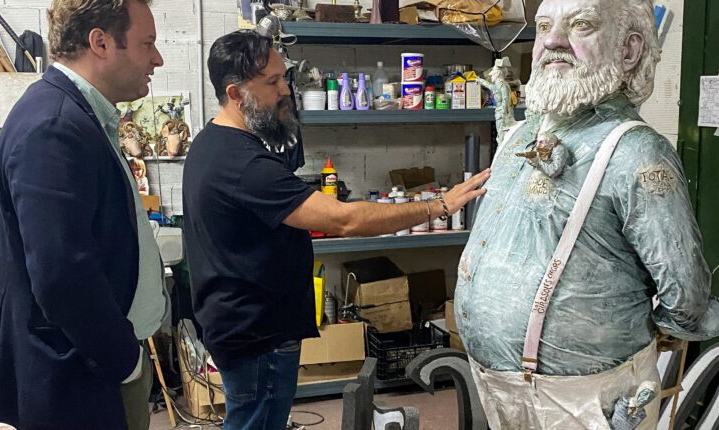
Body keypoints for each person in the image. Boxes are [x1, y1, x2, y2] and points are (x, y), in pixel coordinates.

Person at [182, 30, 490, 430]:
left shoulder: (213, 144)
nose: (285, 92)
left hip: (241, 325)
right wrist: (440, 205)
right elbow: (346, 220)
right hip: (256, 334)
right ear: (236, 93)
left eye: (284, 78)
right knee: (255, 422)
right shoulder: (242, 164)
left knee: (252, 420)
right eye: (273, 82)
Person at [455, 0, 719, 428]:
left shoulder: (636, 151)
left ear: (629, 50)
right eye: (544, 26)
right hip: (499, 385)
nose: (553, 41)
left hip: (584, 400)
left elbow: (686, 297)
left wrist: (642, 331)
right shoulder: (523, 134)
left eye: (580, 25)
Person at [0, 1, 166, 429]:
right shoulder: (55, 125)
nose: (157, 58)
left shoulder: (75, 114)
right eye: (147, 43)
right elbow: (62, 275)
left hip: (88, 363)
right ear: (101, 42)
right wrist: (126, 360)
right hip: (79, 373)